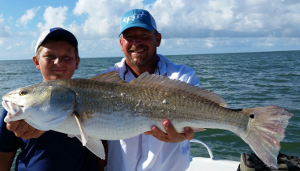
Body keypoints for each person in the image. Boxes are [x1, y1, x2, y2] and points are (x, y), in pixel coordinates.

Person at [104, 9, 201, 171]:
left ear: (158, 39)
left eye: (144, 36)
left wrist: (185, 134)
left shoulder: (182, 76)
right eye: (129, 37)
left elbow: (194, 124)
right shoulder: (103, 81)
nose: (137, 42)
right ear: (121, 43)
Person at [0, 27, 106, 171]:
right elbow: (3, 158)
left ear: (77, 62)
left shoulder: (97, 99)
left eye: (66, 57)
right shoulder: (16, 111)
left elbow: (102, 154)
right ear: (36, 61)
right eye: (50, 56)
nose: (58, 62)